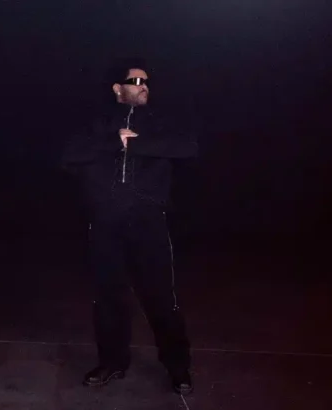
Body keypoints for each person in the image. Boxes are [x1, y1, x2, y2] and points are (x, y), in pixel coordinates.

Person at [62, 58, 197, 394]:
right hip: (106, 221)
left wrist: (135, 144)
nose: (144, 86)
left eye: (146, 81)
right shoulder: (99, 123)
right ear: (117, 88)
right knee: (108, 296)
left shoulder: (159, 121)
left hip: (148, 220)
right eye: (136, 81)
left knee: (161, 296)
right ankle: (112, 361)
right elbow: (69, 154)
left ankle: (178, 367)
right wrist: (114, 142)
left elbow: (187, 147)